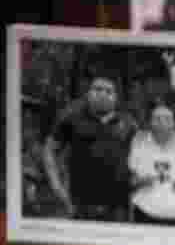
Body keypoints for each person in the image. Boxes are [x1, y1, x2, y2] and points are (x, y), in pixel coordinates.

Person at [42, 75, 137, 221]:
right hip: (79, 206)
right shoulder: (71, 118)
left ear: (116, 98)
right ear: (88, 94)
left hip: (119, 208)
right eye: (97, 89)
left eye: (109, 91)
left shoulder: (129, 124)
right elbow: (49, 150)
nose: (103, 94)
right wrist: (56, 185)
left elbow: (142, 159)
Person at [128, 102, 175, 226]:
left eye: (167, 119)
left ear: (174, 123)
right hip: (146, 213)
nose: (162, 122)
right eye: (157, 119)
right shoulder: (139, 146)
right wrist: (140, 181)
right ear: (150, 122)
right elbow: (131, 179)